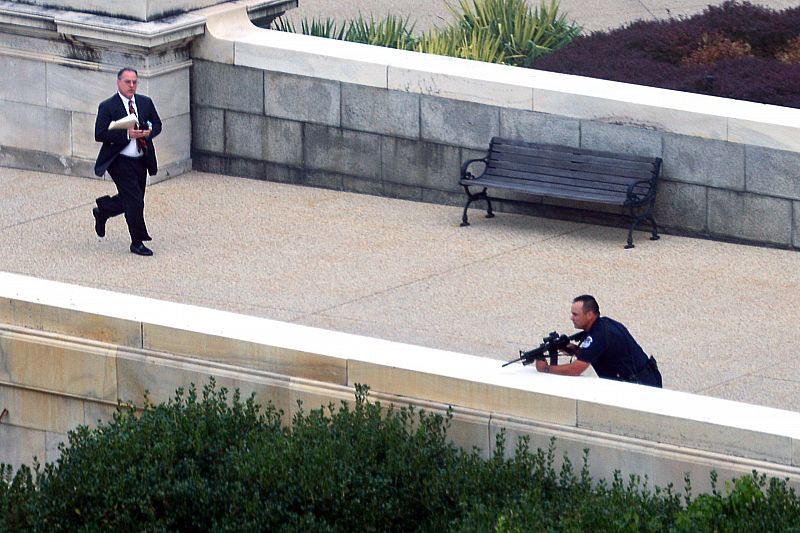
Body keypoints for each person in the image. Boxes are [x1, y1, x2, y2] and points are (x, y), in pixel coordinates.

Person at [92, 67, 162, 256]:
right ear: (118, 83)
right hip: (119, 160)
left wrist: (149, 132)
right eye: (127, 82)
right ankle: (137, 242)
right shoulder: (108, 106)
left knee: (133, 198)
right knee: (135, 202)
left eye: (134, 82)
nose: (131, 85)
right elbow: (99, 134)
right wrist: (126, 134)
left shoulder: (145, 102)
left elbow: (157, 124)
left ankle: (104, 210)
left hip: (141, 158)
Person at [535, 295, 662, 388]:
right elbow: (596, 353)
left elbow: (576, 369)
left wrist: (546, 369)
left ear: (589, 315)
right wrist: (573, 349)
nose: (571, 318)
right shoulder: (604, 324)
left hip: (640, 386)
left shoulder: (598, 334)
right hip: (646, 380)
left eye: (575, 314)